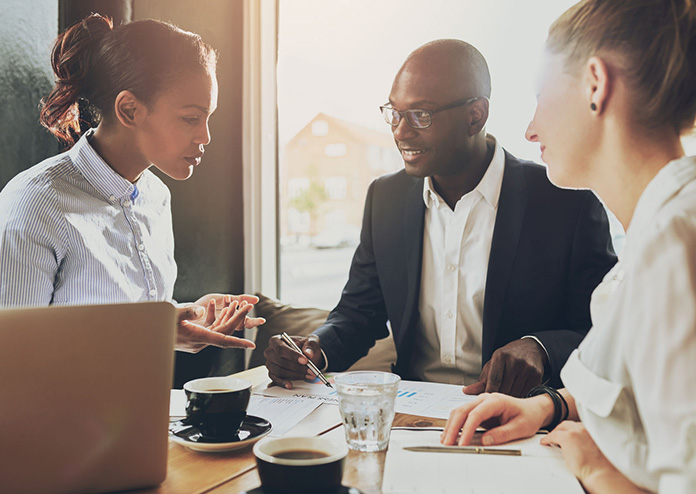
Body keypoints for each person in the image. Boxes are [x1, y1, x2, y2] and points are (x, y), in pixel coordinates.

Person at [264, 39, 616, 396]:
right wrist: (314, 349)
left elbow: (606, 328)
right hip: (409, 412)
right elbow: (358, 313)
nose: (401, 131)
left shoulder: (565, 201)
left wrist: (539, 348)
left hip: (519, 415)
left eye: (421, 115)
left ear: (475, 116)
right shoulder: (385, 199)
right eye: (395, 113)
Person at [441, 1, 696, 492]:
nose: (529, 129)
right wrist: (544, 406)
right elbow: (641, 392)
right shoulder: (655, 237)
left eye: (541, 96)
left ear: (596, 84)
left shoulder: (675, 247)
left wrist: (596, 469)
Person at [0, 14, 263, 353]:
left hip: (146, 405)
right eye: (190, 118)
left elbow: (137, 336)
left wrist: (185, 322)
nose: (205, 137)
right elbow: (12, 353)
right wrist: (153, 333)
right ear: (129, 109)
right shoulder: (34, 204)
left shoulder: (156, 196)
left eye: (208, 118)